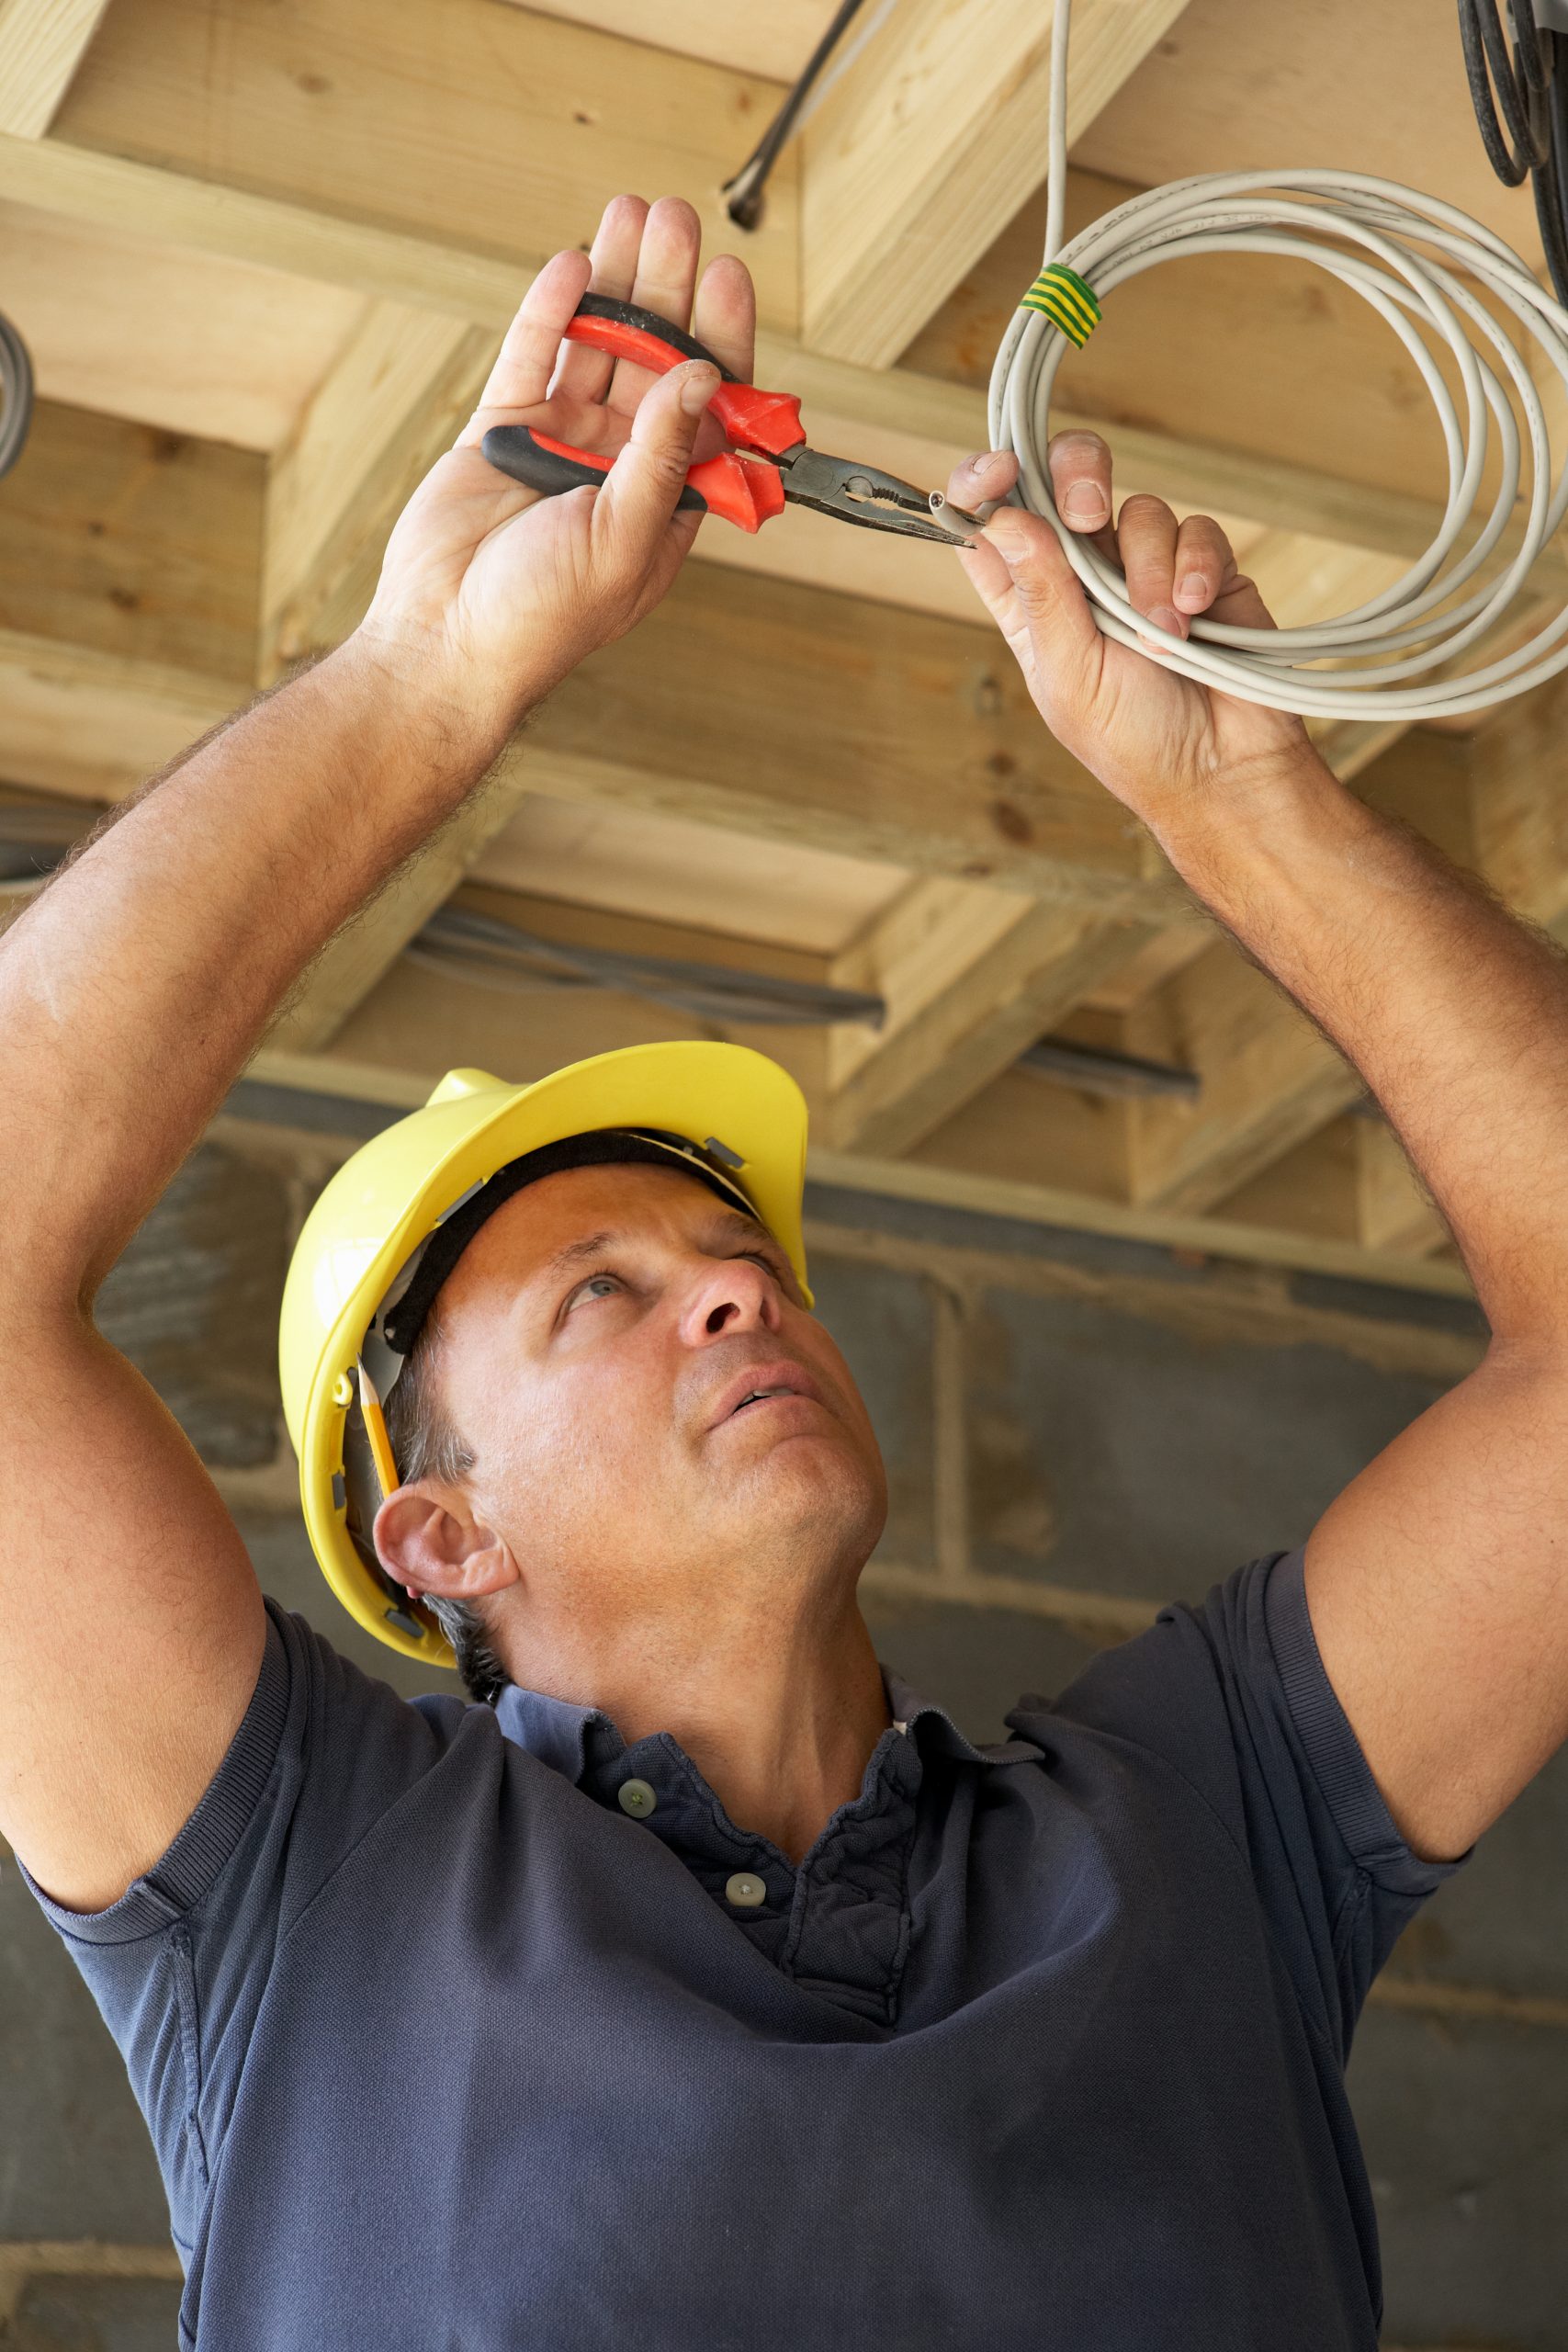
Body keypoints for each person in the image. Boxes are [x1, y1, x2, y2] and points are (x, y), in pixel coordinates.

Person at [3, 193, 1564, 2351]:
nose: (735, 1291)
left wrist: (1233, 797)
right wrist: (422, 673)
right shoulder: (303, 1890)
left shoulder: (1200, 1821)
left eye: (737, 1257)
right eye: (604, 1294)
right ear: (435, 1528)